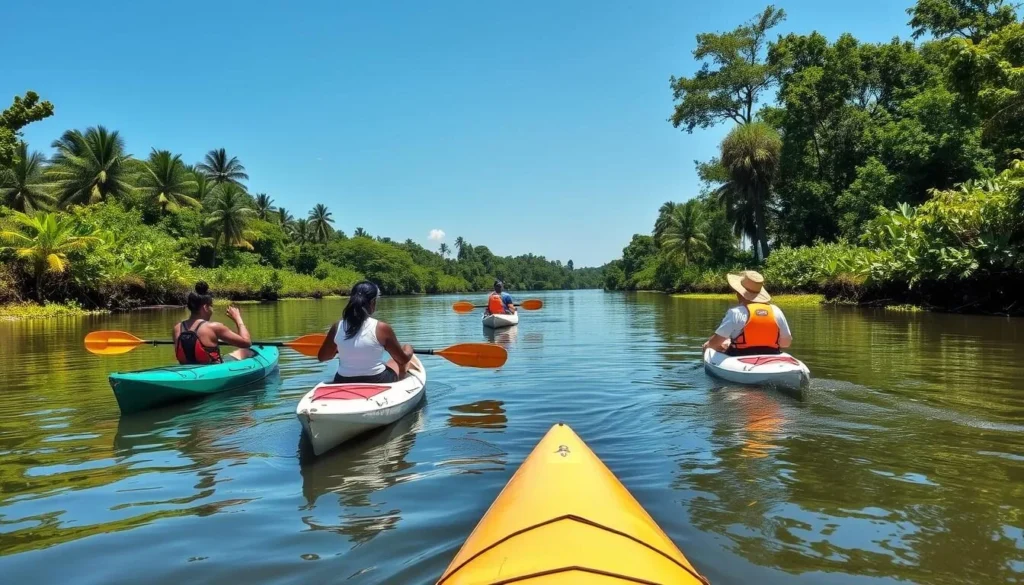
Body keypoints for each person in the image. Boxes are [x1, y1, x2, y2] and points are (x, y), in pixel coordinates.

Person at [317, 281, 417, 383]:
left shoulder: (337, 327)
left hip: (343, 380)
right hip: (378, 379)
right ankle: (402, 377)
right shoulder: (382, 328)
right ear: (373, 302)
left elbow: (323, 357)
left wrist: (340, 348)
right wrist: (409, 349)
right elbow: (402, 359)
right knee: (398, 363)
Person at [702, 271, 792, 356]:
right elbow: (785, 343)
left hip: (740, 356)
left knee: (708, 347)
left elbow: (714, 344)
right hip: (772, 354)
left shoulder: (735, 313)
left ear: (739, 293)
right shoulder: (776, 311)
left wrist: (708, 345)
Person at [173, 281, 253, 364]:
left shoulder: (177, 328)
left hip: (187, 369)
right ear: (205, 307)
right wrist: (238, 318)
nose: (212, 309)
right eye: (211, 306)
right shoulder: (214, 327)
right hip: (211, 369)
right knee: (246, 351)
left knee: (237, 353)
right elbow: (246, 343)